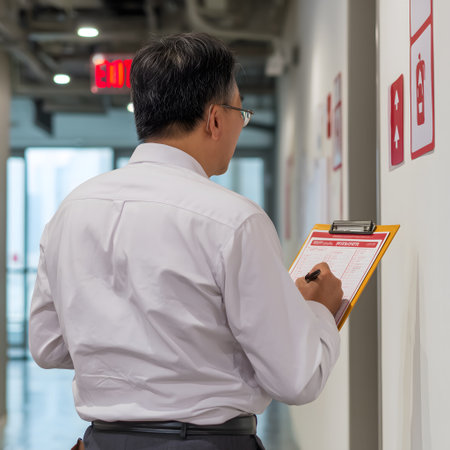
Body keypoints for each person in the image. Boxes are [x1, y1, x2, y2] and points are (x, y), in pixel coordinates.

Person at [29, 32, 343, 450]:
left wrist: (128, 348)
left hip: (101, 442)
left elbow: (48, 346)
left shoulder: (71, 211)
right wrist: (317, 311)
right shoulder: (234, 221)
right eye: (240, 111)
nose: (239, 125)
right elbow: (298, 378)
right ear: (215, 119)